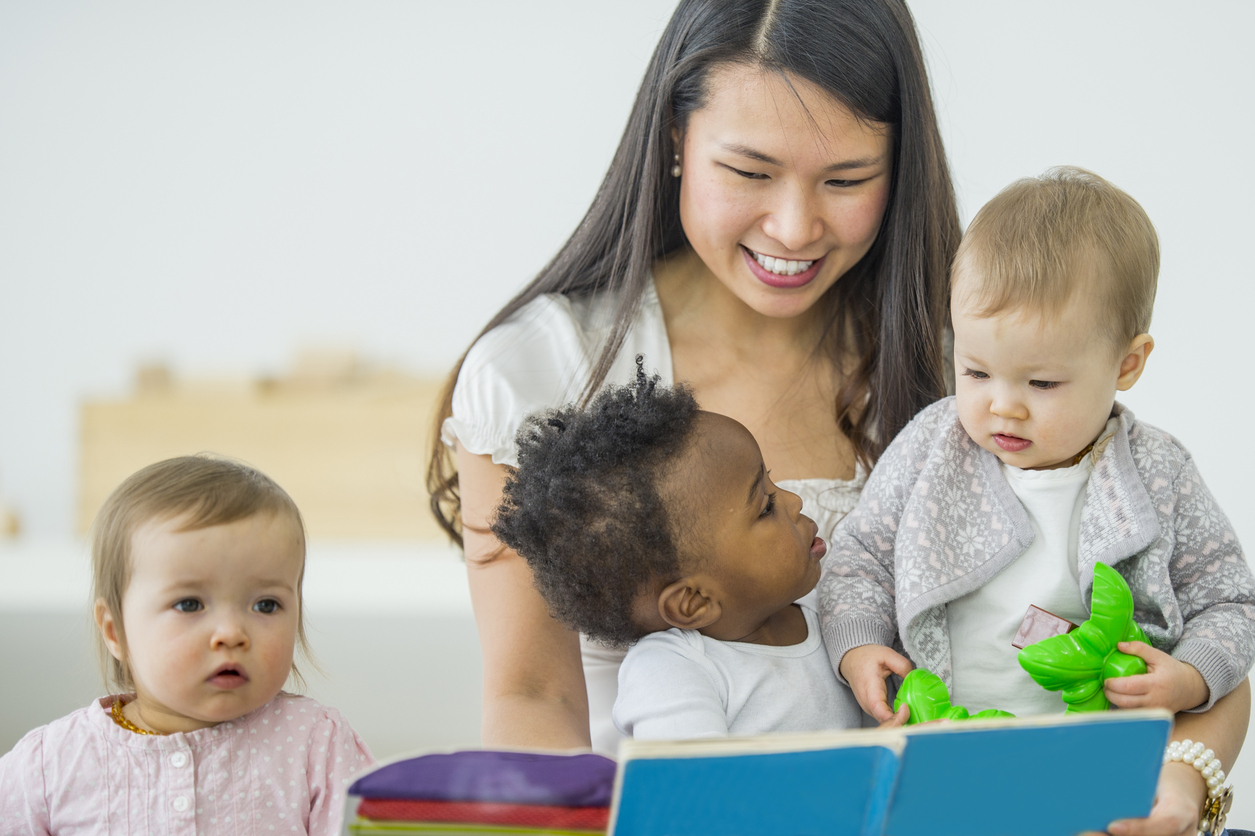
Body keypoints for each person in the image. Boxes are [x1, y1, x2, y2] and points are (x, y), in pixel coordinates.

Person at [427, 0, 960, 756]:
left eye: (845, 180)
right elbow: (533, 697)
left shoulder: (965, 367)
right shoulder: (541, 367)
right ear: (675, 139)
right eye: (749, 171)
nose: (793, 228)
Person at [819, 167, 1255, 836]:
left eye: (1042, 381)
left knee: (1214, 711)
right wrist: (856, 647)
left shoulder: (1157, 471)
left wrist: (1190, 677)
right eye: (974, 370)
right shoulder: (932, 447)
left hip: (1101, 761)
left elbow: (1227, 600)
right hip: (945, 754)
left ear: (1126, 365)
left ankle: (1166, 806)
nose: (1002, 404)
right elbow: (858, 560)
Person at [492, 363, 904, 739]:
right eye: (765, 507)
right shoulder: (672, 674)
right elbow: (695, 797)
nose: (794, 500)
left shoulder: (837, 607)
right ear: (693, 602)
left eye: (772, 483)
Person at [0, 456, 375, 835]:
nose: (231, 633)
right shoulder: (49, 767)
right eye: (189, 604)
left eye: (266, 605)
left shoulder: (315, 744)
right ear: (116, 633)